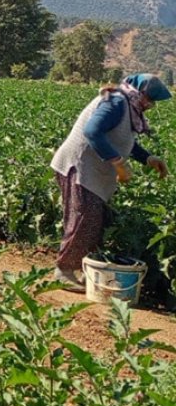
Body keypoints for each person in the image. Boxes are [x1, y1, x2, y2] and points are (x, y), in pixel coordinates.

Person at [50, 73, 170, 292]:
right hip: (79, 166)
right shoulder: (116, 102)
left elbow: (122, 139)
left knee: (94, 221)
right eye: (150, 99)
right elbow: (92, 131)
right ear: (139, 92)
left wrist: (148, 158)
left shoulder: (128, 107)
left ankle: (81, 270)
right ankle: (64, 271)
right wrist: (119, 165)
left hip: (92, 171)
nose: (151, 105)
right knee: (83, 220)